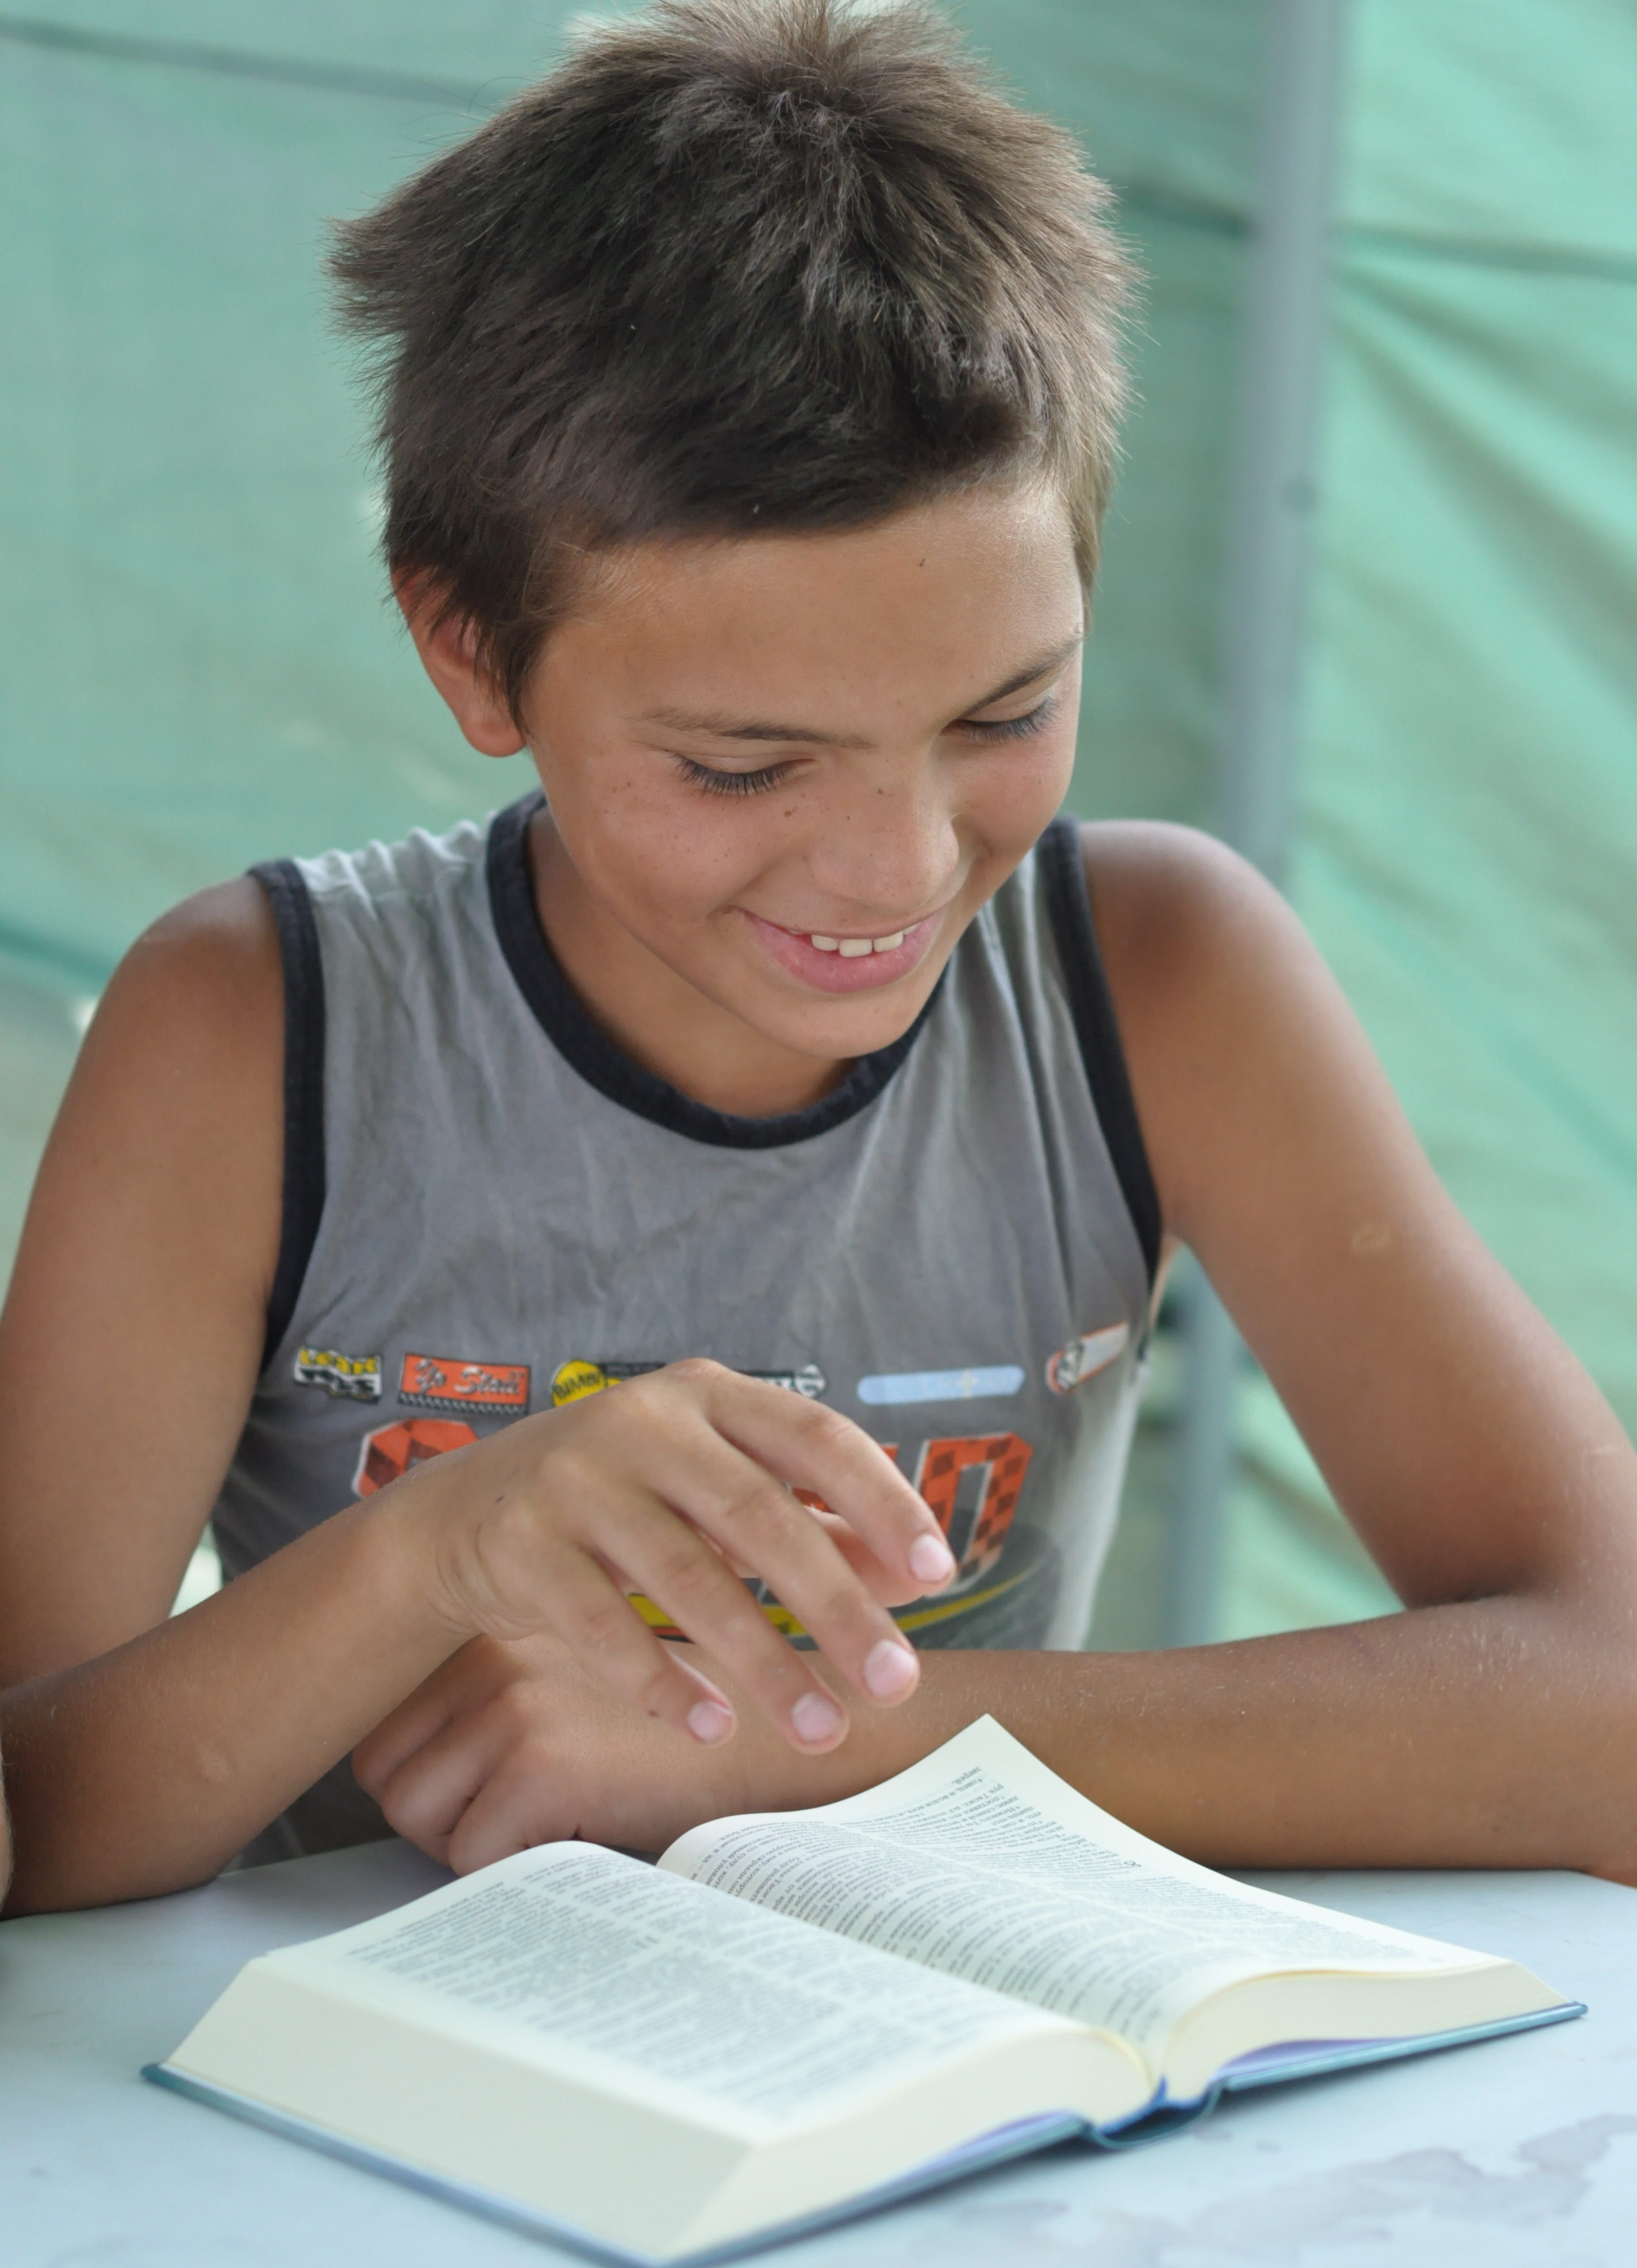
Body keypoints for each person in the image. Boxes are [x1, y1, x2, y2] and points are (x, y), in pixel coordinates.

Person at [2, 0, 1635, 1918]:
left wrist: (835, 1733)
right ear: (469, 653)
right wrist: (440, 1549)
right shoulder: (258, 1027)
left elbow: (1605, 1691)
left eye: (1005, 713)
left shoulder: (1163, 979)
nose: (898, 864)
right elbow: (33, 1819)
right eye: (741, 765)